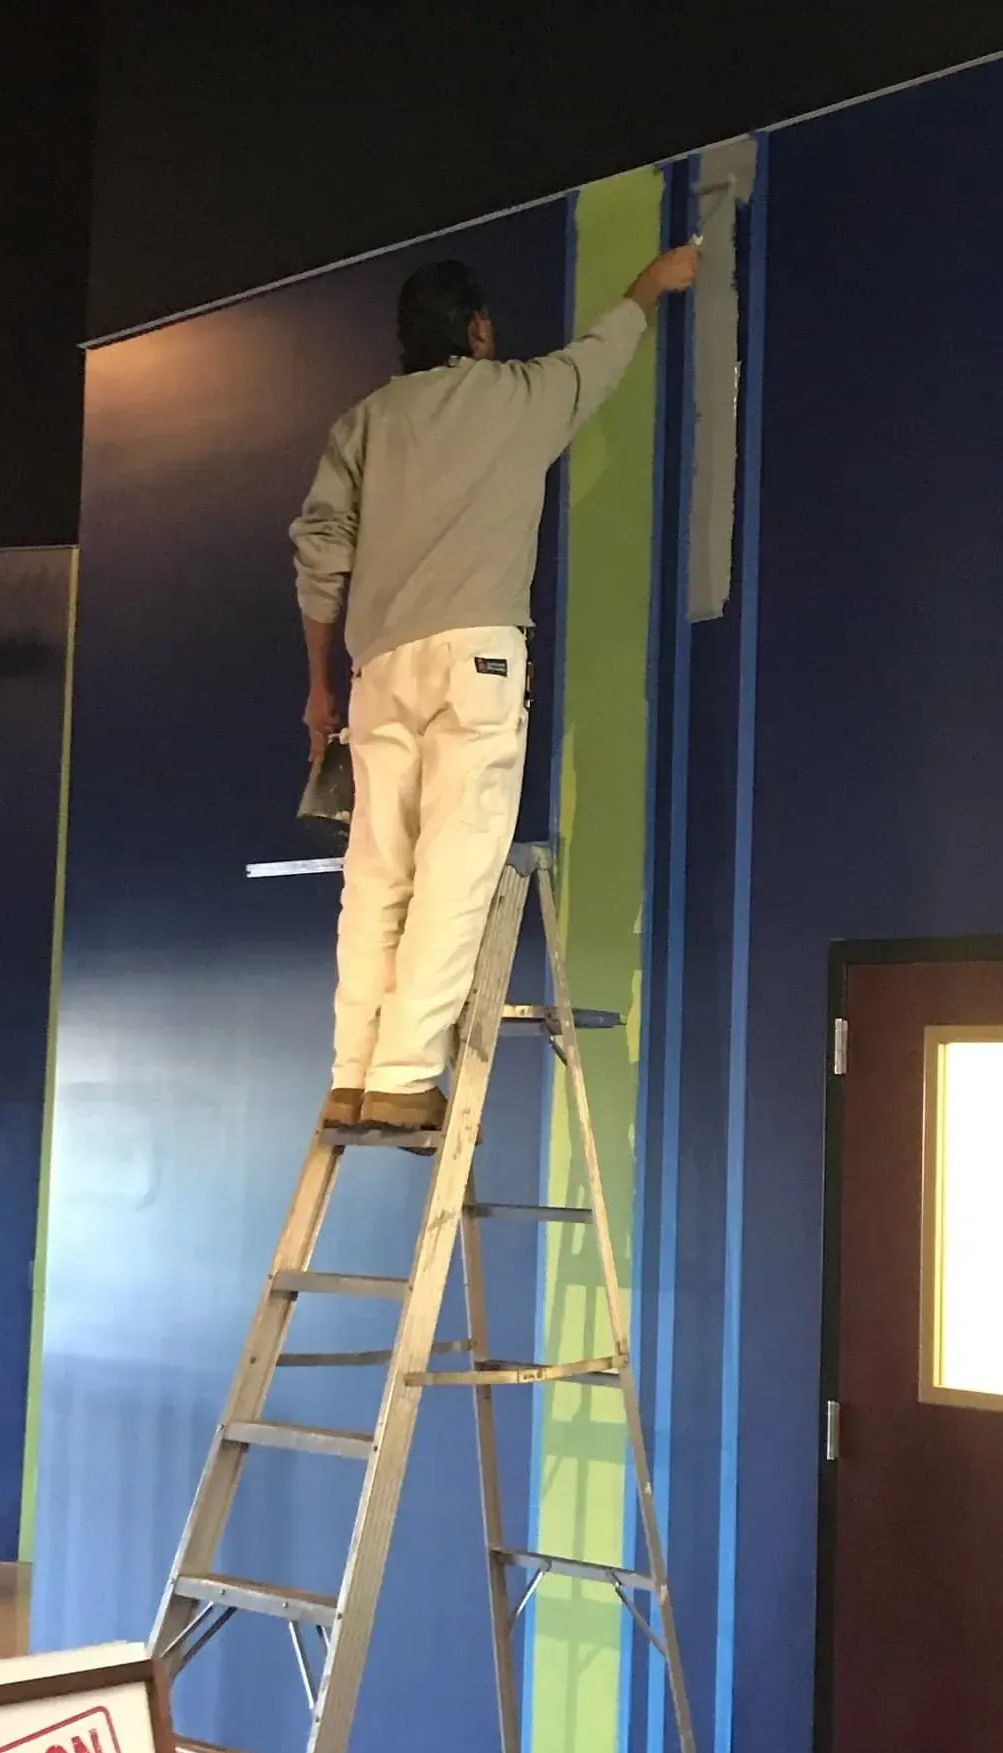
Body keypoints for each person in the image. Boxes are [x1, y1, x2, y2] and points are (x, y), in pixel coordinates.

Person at [290, 242, 698, 1134]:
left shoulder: (362, 424)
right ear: (476, 329)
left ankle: (351, 1074)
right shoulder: (517, 396)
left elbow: (320, 557)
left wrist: (321, 687)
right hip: (474, 659)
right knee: (455, 863)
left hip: (377, 670)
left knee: (375, 872)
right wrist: (654, 280)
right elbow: (605, 349)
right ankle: (402, 1078)